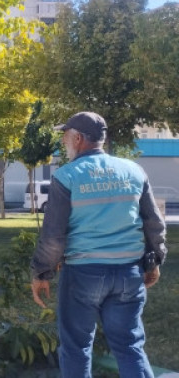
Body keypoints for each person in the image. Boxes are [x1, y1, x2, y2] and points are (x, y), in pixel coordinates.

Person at [30, 111, 167, 377]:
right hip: (128, 274)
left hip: (84, 274)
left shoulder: (66, 176)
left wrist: (41, 272)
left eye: (66, 137)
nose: (64, 144)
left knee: (76, 348)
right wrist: (154, 260)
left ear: (78, 138)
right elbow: (154, 223)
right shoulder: (133, 170)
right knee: (130, 346)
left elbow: (54, 237)